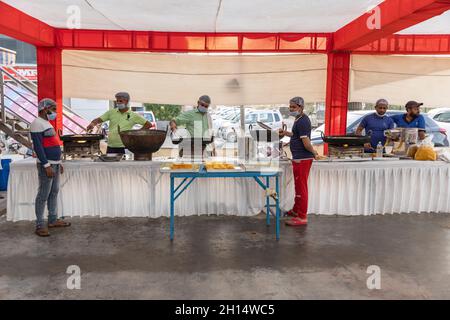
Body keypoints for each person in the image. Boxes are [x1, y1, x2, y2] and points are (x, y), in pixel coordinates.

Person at [30, 98, 71, 237]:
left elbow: (51, 143)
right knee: (43, 194)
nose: (54, 112)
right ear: (44, 109)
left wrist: (58, 162)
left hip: (54, 163)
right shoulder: (37, 123)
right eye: (53, 109)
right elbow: (38, 147)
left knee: (54, 192)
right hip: (46, 164)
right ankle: (40, 224)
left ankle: (52, 219)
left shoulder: (46, 122)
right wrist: (46, 165)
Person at [279, 97, 319, 226]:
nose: (291, 109)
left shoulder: (303, 121)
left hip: (303, 158)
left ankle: (302, 216)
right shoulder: (298, 119)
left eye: (294, 107)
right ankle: (296, 210)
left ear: (301, 107)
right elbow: (296, 135)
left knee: (302, 188)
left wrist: (314, 152)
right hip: (298, 157)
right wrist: (286, 133)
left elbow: (306, 142)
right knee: (298, 186)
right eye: (290, 107)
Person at [86, 92, 152, 154]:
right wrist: (92, 124)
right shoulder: (111, 112)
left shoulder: (133, 115)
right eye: (117, 101)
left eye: (120, 101)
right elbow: (98, 120)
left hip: (125, 147)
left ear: (126, 101)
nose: (118, 103)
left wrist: (136, 134)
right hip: (111, 146)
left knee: (123, 165)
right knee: (110, 165)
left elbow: (148, 125)